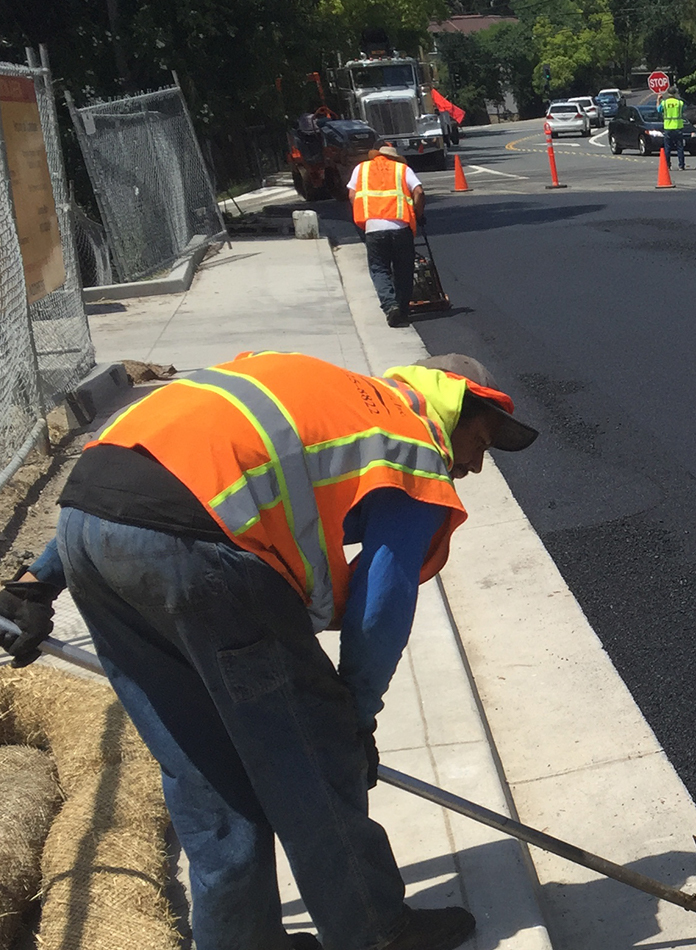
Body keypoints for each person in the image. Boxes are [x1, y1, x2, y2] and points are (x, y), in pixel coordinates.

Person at [0, 352, 538, 950]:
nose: (477, 465)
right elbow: (381, 602)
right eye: (481, 443)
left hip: (85, 524)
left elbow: (150, 471)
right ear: (454, 407)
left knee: (203, 768)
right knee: (312, 760)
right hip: (197, 551)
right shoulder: (409, 445)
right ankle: (375, 933)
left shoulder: (317, 392)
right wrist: (351, 718)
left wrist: (37, 579)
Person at [349, 145, 426, 328]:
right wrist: (418, 213)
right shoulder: (402, 169)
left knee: (379, 269)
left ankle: (390, 306)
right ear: (395, 158)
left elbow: (352, 195)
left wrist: (363, 216)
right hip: (401, 226)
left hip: (373, 228)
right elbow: (419, 192)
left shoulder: (361, 169)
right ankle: (403, 311)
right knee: (404, 270)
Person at [660, 86, 689, 170]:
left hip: (668, 127)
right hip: (678, 127)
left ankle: (668, 165)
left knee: (667, 148)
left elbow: (659, 110)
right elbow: (684, 108)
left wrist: (659, 100)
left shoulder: (664, 103)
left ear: (668, 93)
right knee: (680, 147)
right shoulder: (679, 103)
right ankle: (681, 165)